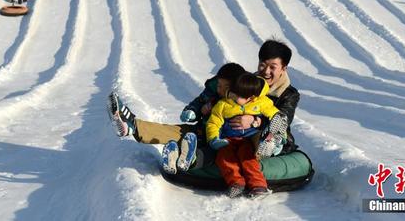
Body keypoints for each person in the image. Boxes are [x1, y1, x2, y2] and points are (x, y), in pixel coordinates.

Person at [109, 40, 299, 174]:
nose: (266, 71)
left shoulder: (289, 94)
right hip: (226, 130)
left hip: (255, 137)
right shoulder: (247, 82)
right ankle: (133, 126)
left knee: (266, 132)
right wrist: (203, 107)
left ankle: (269, 144)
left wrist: (256, 121)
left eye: (273, 67)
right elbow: (219, 87)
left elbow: (283, 118)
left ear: (284, 69)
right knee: (187, 131)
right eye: (263, 65)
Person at [207, 73, 285, 197]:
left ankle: (259, 186)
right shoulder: (223, 104)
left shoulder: (260, 103)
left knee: (248, 159)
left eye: (238, 95)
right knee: (224, 158)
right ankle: (236, 184)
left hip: (248, 140)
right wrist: (213, 138)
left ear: (250, 97)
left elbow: (275, 115)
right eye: (233, 92)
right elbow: (213, 122)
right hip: (228, 139)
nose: (233, 95)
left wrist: (277, 120)